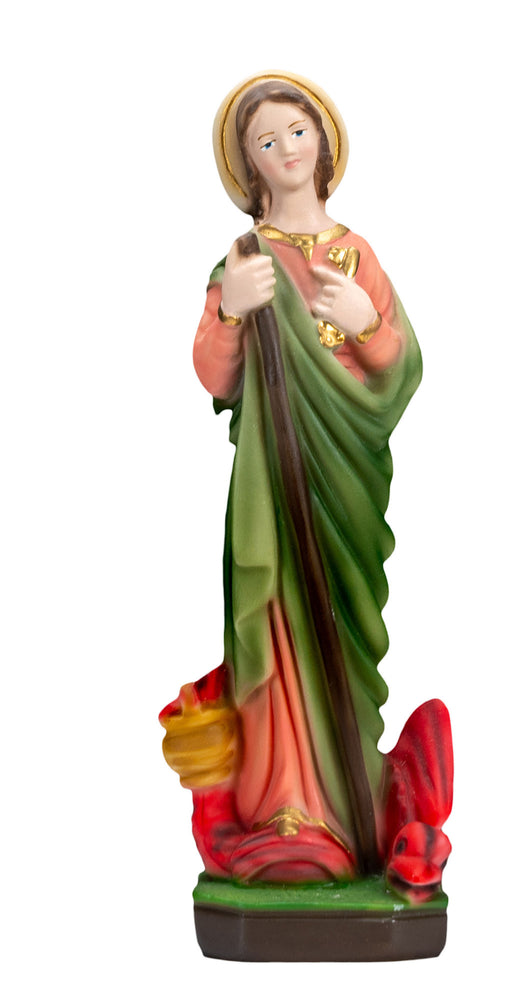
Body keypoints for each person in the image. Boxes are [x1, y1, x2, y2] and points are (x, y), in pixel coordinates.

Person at [161, 74, 452, 896]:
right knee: (278, 627)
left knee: (340, 636)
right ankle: (285, 816)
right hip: (271, 485)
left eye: (296, 131)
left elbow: (402, 372)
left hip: (344, 482)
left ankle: (355, 816)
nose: (285, 149)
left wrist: (367, 324)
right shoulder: (243, 261)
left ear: (322, 141)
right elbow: (215, 377)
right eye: (266, 140)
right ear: (248, 164)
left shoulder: (359, 256)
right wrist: (230, 312)